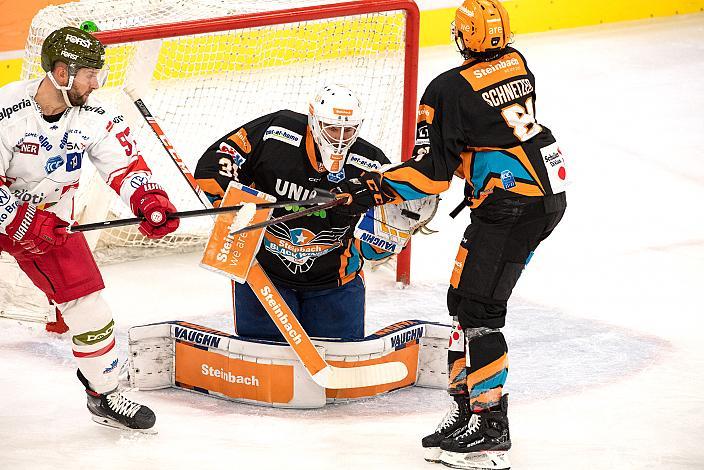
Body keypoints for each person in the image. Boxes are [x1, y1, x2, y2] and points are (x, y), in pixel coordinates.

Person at [332, 1, 567, 468]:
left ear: (462, 37)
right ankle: (465, 412)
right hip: (536, 192)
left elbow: (432, 173)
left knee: (480, 309)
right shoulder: (518, 63)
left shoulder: (446, 89)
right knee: (460, 304)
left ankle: (492, 429)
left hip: (512, 206)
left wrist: (371, 190)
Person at [0, 26, 180, 431]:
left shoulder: (96, 114)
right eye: (88, 74)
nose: (95, 83)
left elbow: (125, 165)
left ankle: (104, 393)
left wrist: (148, 200)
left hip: (52, 225)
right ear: (61, 74)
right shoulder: (5, 110)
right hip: (14, 217)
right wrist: (23, 221)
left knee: (91, 308)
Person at [195, 84, 402, 341]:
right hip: (263, 275)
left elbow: (381, 238)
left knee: (340, 365)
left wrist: (393, 231)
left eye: (348, 130)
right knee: (264, 366)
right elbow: (217, 159)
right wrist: (228, 199)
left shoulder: (371, 165)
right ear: (314, 120)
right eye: (332, 128)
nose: (339, 137)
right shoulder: (276, 131)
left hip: (335, 283)